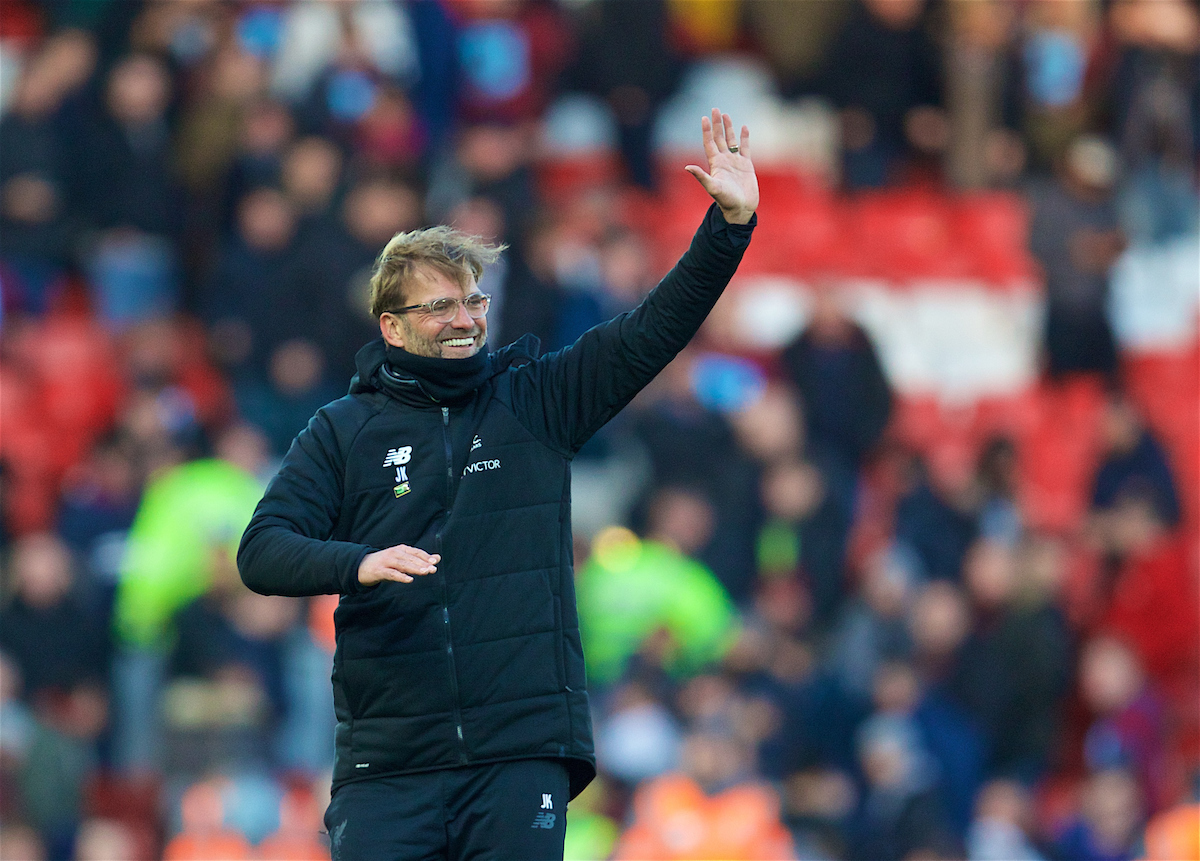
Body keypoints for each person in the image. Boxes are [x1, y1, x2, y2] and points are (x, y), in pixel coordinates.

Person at [237, 109, 758, 860]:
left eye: (473, 300)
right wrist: (356, 562)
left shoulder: (537, 400)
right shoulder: (342, 429)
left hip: (519, 755)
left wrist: (728, 227)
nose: (464, 319)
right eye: (440, 304)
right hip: (389, 763)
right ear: (390, 326)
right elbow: (262, 550)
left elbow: (652, 330)